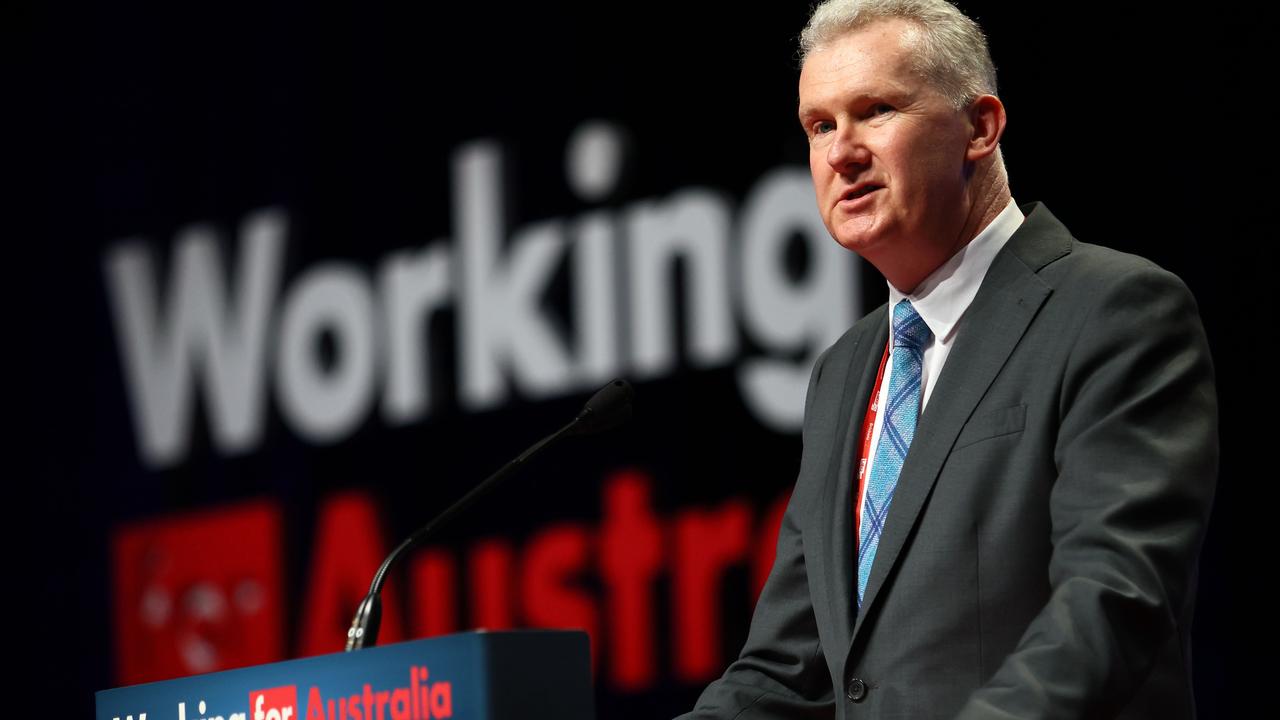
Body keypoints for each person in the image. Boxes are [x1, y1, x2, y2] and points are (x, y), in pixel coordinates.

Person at [677, 1, 1217, 718]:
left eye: (875, 111)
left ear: (980, 127)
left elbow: (1112, 601)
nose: (841, 151)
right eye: (820, 125)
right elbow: (785, 670)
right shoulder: (843, 373)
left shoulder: (1113, 311)